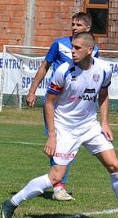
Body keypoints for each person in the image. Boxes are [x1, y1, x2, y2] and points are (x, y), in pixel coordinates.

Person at [1, 32, 118, 218]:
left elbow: (103, 94)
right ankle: (11, 203)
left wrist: (104, 122)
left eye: (77, 48)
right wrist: (52, 135)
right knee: (56, 177)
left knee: (114, 165)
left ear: (90, 50)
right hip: (65, 128)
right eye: (72, 47)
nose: (73, 51)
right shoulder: (63, 70)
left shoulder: (104, 69)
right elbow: (49, 102)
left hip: (89, 125)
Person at [25, 12, 99, 201]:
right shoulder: (59, 43)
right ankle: (58, 186)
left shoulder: (93, 49)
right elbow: (44, 66)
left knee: (69, 144)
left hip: (76, 104)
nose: (74, 27)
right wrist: (32, 90)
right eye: (73, 24)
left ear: (87, 29)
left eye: (79, 25)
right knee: (57, 141)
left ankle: (57, 183)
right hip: (57, 101)